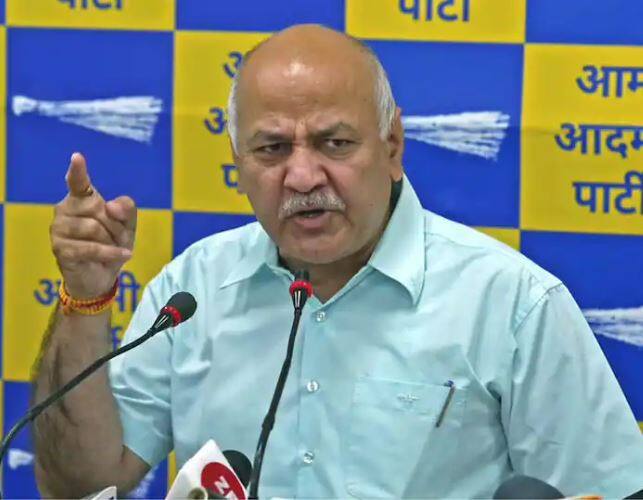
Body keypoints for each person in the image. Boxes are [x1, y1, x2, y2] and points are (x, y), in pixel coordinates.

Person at [32, 24, 643, 498]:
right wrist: (86, 296)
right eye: (272, 148)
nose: (302, 176)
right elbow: (79, 487)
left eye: (335, 143)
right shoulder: (194, 287)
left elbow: (605, 487)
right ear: (238, 162)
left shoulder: (511, 302)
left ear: (393, 146)